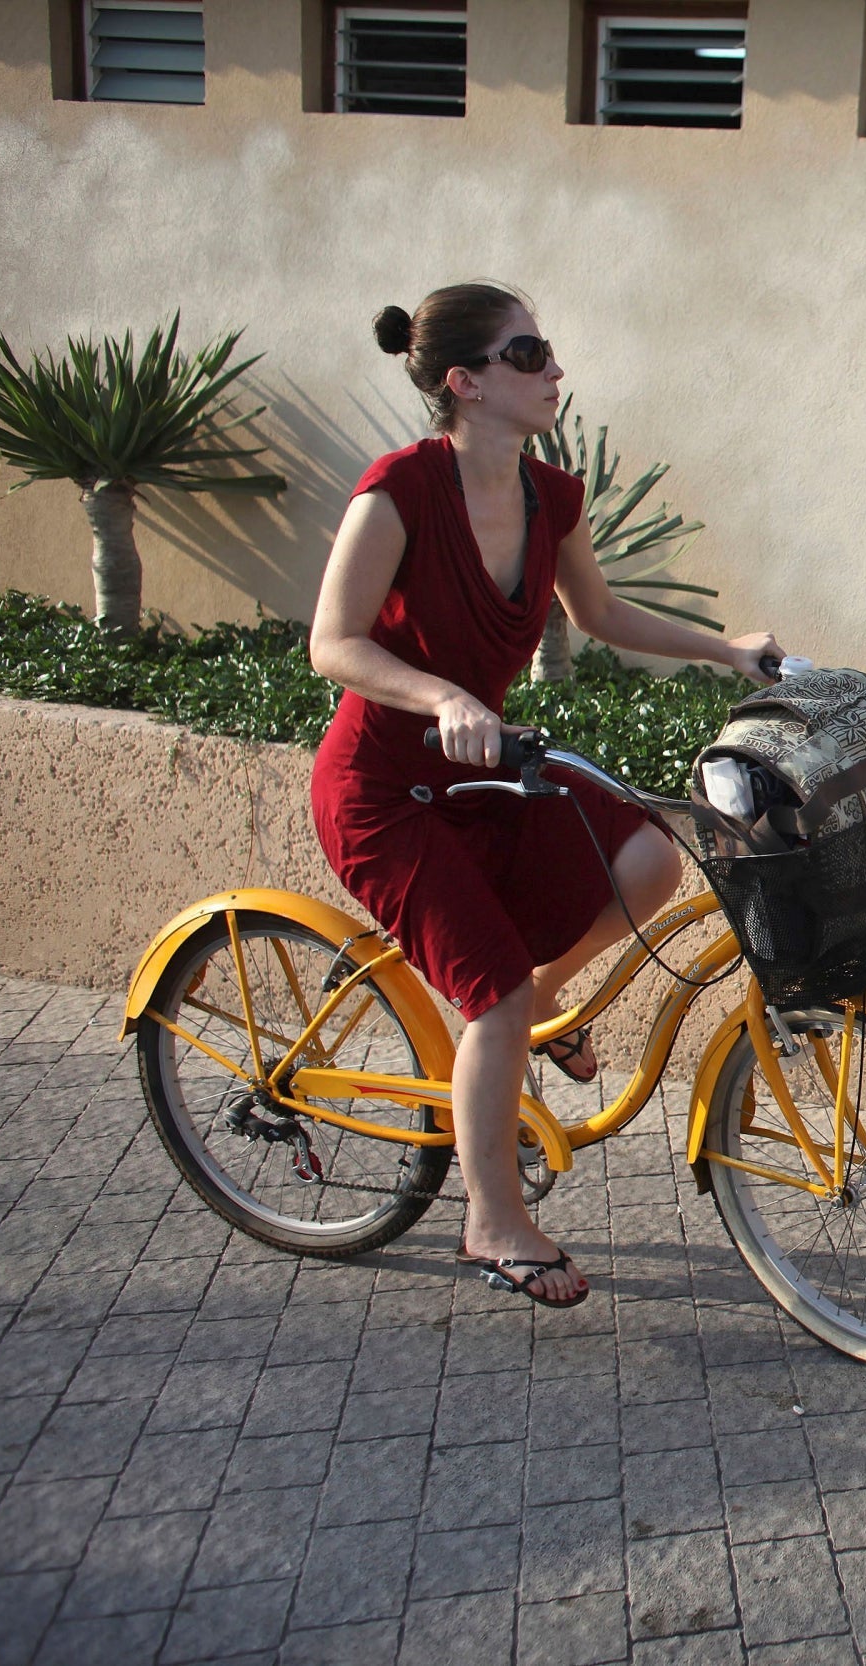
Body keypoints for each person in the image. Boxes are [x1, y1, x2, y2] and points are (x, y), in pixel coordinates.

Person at [308, 283, 782, 1307]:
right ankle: (493, 1222)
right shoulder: (397, 491)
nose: (554, 371)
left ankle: (546, 994)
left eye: (551, 351)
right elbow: (331, 642)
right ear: (464, 382)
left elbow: (602, 613)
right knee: (489, 997)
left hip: (484, 768)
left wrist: (722, 647)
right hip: (385, 789)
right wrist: (439, 694)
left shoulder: (549, 497)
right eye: (529, 355)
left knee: (649, 854)